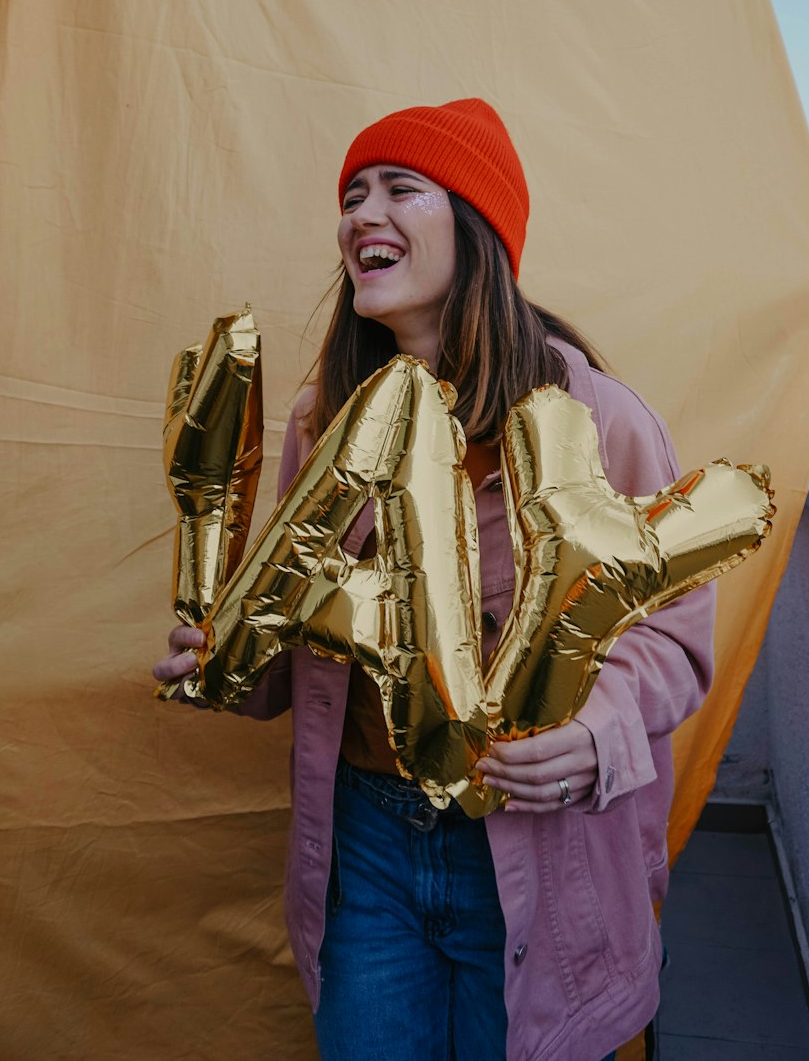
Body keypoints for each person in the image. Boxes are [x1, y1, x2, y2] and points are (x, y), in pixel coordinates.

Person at [153, 98, 715, 1061]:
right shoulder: (321, 425)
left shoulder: (602, 421)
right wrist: (229, 664)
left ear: (477, 225)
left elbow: (672, 642)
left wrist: (593, 731)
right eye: (352, 195)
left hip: (536, 850)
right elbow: (300, 627)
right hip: (367, 846)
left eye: (399, 188)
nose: (361, 213)